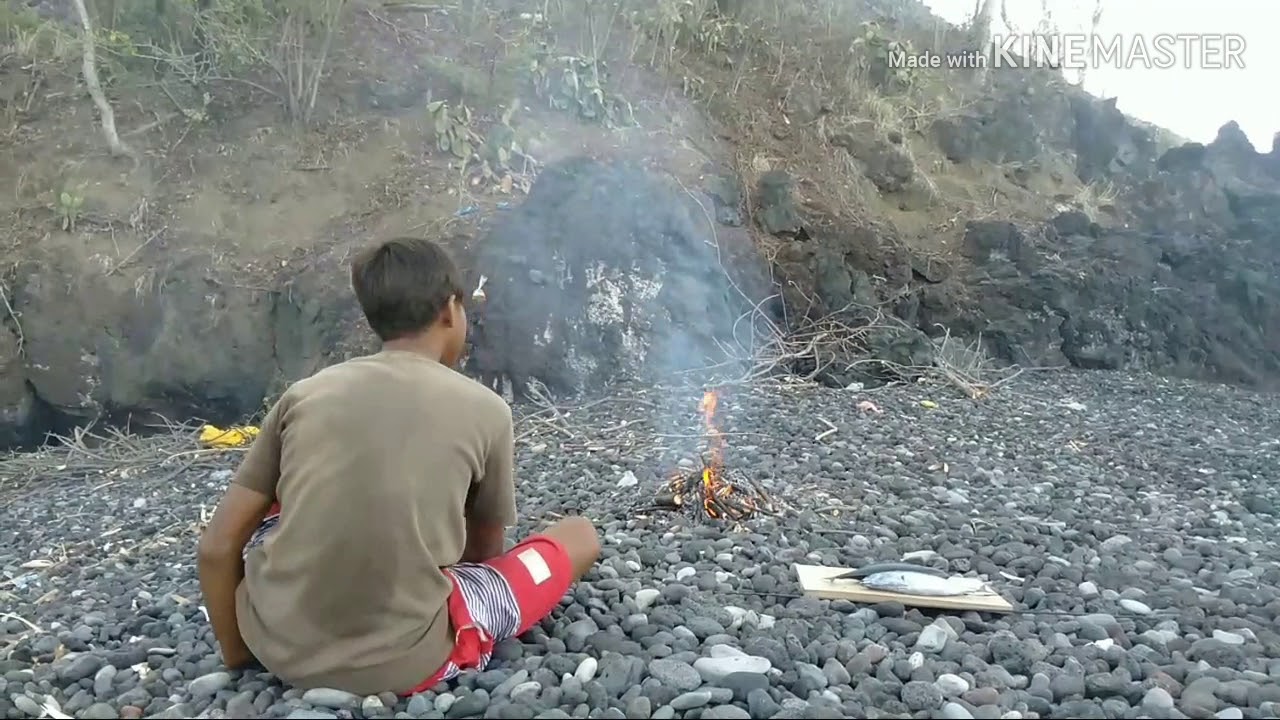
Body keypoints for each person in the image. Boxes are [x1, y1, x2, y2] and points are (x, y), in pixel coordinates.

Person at [197, 236, 601, 696]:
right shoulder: (487, 410)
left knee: (291, 492)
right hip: (408, 660)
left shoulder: (305, 395)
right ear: (451, 311)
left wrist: (237, 655)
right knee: (579, 536)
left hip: (274, 641)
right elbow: (484, 554)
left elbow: (216, 548)